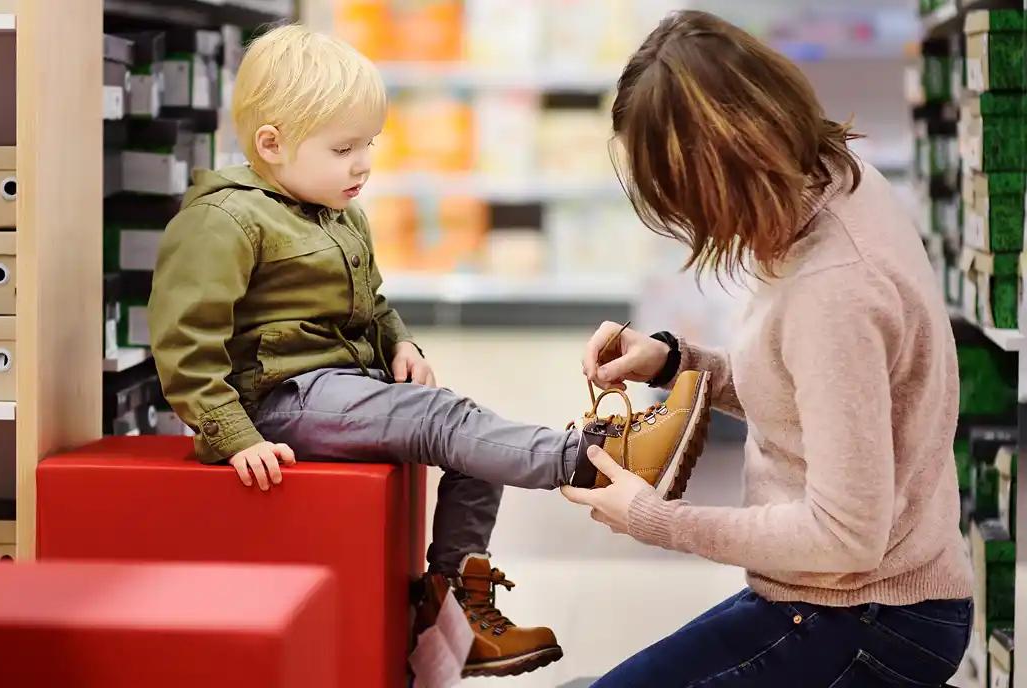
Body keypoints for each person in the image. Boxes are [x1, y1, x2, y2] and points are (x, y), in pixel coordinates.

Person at [146, 24, 714, 678]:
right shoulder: (225, 220)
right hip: (278, 404)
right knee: (444, 423)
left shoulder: (338, 213)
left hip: (341, 390)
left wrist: (401, 344)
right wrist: (235, 436)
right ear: (272, 144)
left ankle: (453, 609)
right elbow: (186, 343)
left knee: (470, 440)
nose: (363, 164)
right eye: (343, 148)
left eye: (369, 146)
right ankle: (594, 455)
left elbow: (373, 303)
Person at [561, 10, 975, 687]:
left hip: (871, 617)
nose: (690, 220)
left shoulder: (834, 288)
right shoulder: (837, 181)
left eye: (685, 196)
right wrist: (676, 360)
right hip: (843, 596)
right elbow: (813, 396)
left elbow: (844, 537)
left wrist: (654, 519)